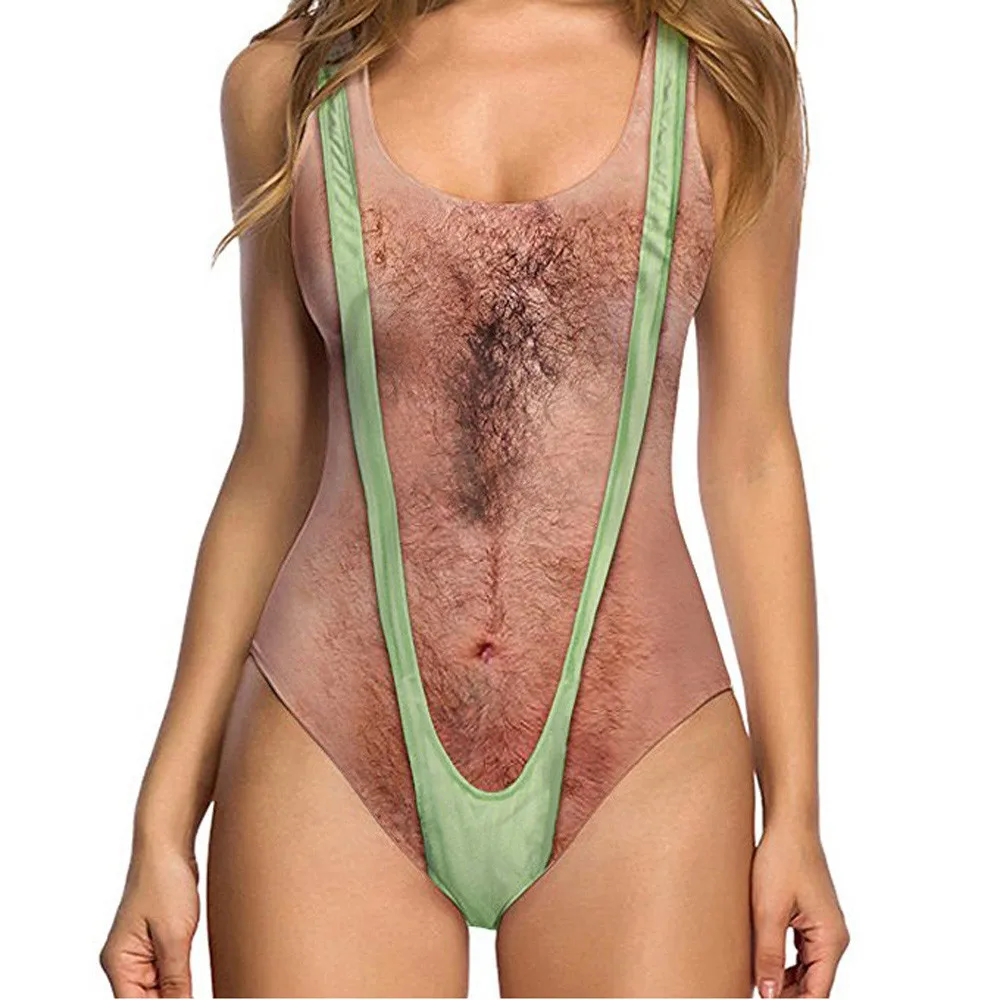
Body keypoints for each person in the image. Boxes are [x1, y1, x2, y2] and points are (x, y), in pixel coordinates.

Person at [100, 0, 849, 996]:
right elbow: (274, 460)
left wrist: (795, 810)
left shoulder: (722, 77)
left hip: (643, 745)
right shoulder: (289, 87)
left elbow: (751, 452)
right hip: (328, 735)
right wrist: (161, 820)